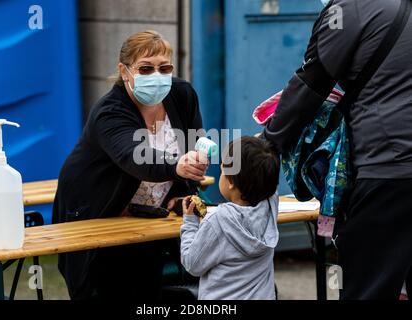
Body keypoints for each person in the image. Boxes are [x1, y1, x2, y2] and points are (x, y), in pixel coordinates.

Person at [261, 0, 412, 299]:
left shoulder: (349, 8)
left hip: (387, 167)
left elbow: (313, 78)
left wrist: (266, 143)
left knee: (366, 288)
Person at [52, 30, 207, 300]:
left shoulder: (182, 94)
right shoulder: (110, 112)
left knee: (149, 291)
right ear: (124, 71)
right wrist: (178, 166)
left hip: (145, 219)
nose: (156, 76)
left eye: (164, 68)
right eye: (145, 69)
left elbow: (192, 142)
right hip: (96, 217)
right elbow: (136, 157)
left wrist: (184, 188)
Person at [180, 137, 280, 300]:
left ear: (231, 182)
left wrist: (190, 222)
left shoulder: (219, 221)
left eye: (222, 171)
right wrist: (261, 147)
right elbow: (266, 175)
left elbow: (192, 264)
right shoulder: (270, 205)